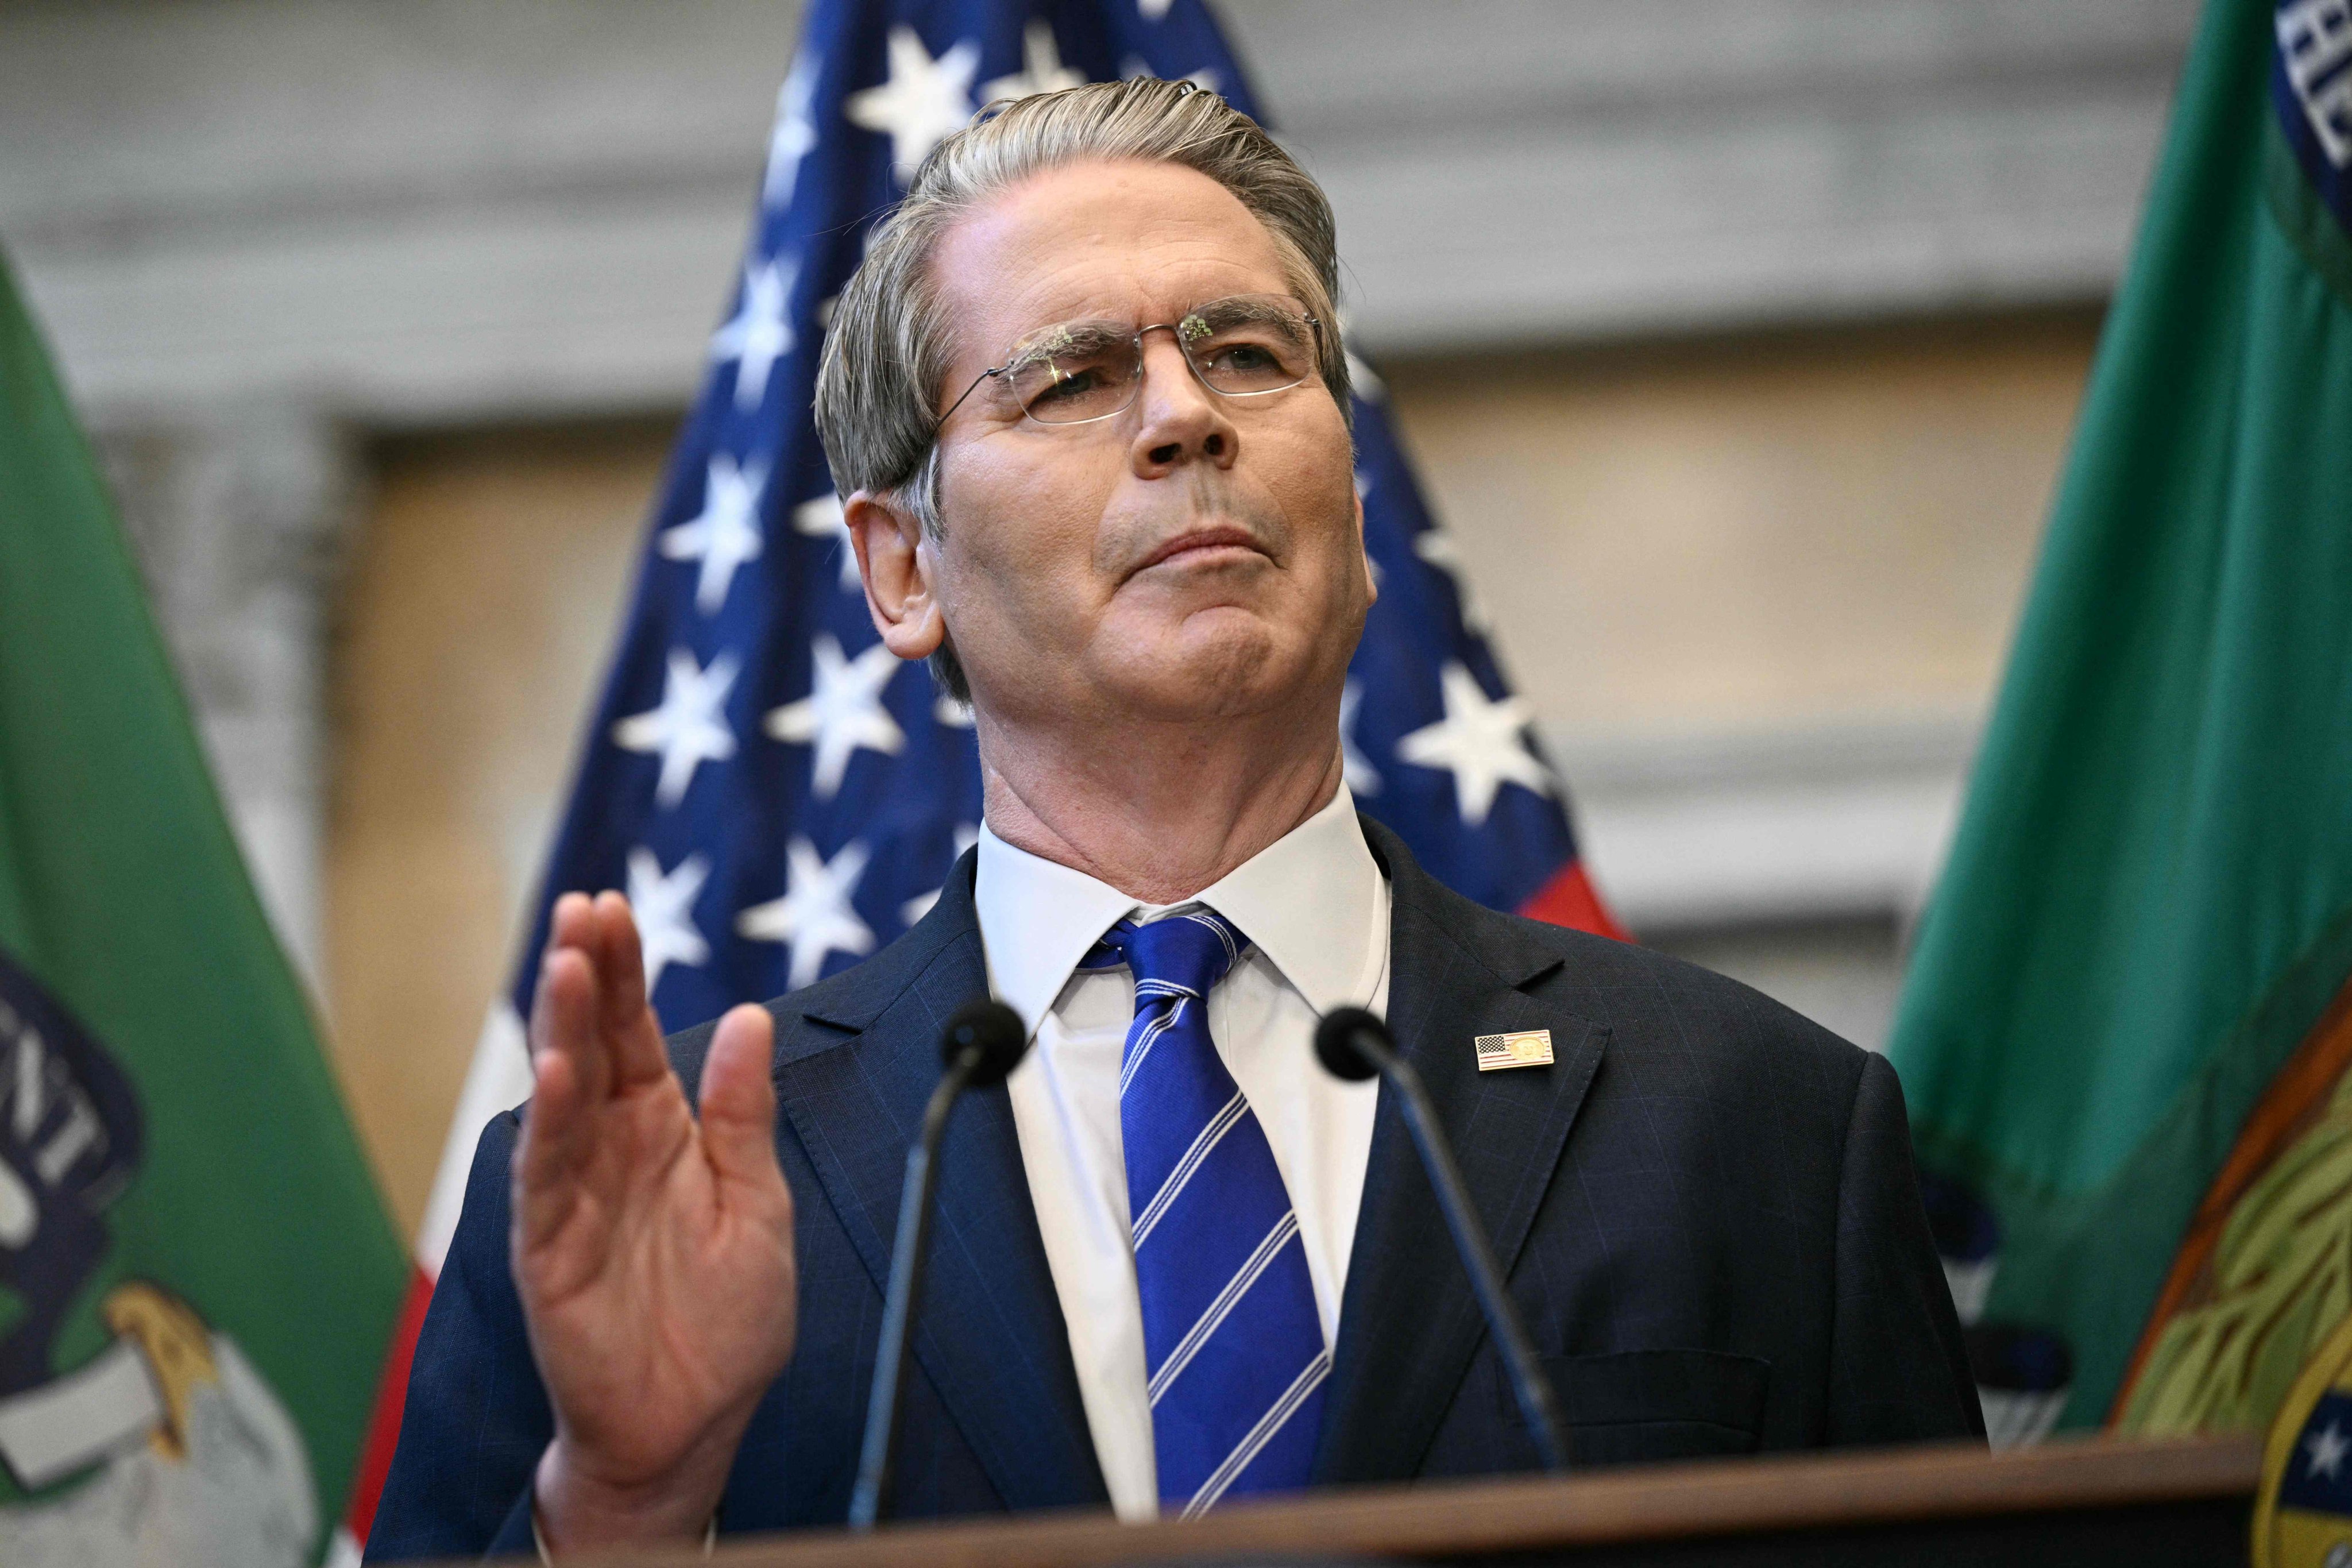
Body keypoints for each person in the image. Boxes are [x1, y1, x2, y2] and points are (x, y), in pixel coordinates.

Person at [366, 78, 1980, 1562]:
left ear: (1355, 509)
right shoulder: (647, 1203)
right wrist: (629, 1505)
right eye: (1073, 378)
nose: (1185, 416)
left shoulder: (1764, 1124)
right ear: (904, 569)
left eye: (1251, 355)